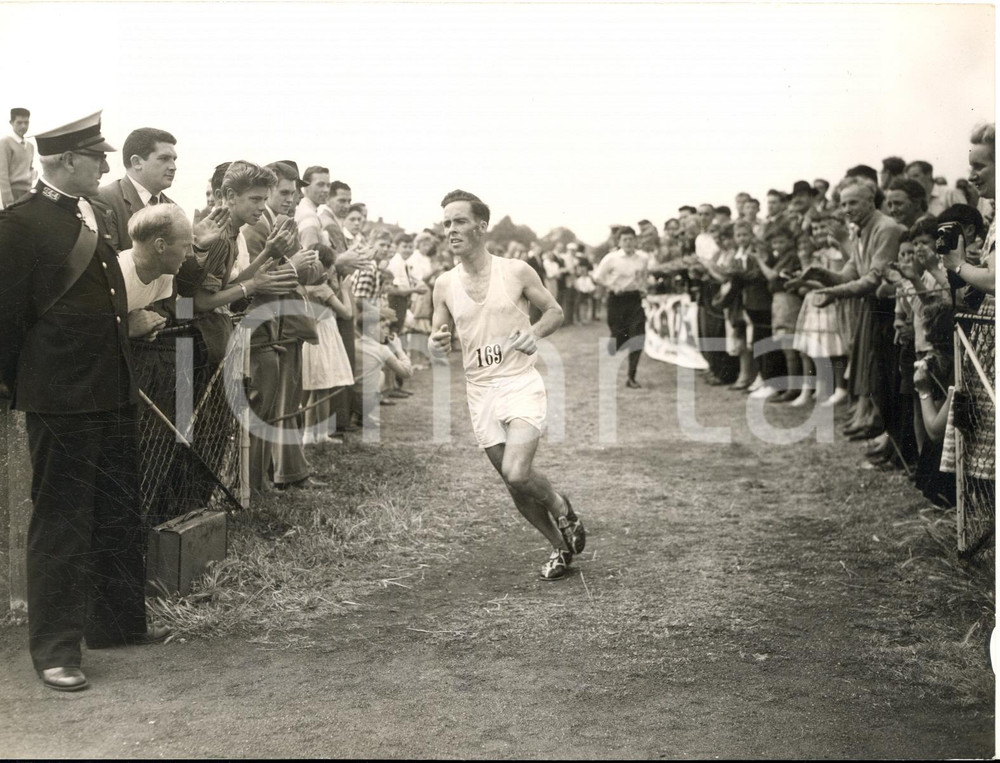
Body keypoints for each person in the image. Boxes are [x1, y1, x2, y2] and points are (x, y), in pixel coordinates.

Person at [0, 111, 171, 692]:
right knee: (63, 521)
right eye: (95, 157)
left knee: (117, 507)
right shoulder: (18, 225)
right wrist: (14, 386)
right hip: (61, 394)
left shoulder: (94, 213)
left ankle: (116, 624)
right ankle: (56, 650)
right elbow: (7, 320)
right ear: (65, 161)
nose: (104, 163)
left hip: (110, 385)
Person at [429, 189, 585, 581]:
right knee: (513, 484)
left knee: (518, 472)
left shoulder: (515, 271)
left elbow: (555, 310)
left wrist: (534, 332)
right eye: (446, 222)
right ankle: (560, 547)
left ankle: (562, 507)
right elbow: (438, 334)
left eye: (459, 221)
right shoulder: (444, 284)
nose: (451, 230)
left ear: (482, 226)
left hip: (518, 381)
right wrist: (436, 342)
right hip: (479, 390)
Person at [97, 127, 177, 252]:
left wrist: (199, 246)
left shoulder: (174, 209)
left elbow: (185, 269)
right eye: (164, 158)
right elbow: (112, 264)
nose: (173, 167)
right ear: (136, 162)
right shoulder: (104, 200)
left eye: (174, 159)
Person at [593, 225, 650, 388]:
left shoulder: (642, 258)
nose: (629, 242)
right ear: (619, 241)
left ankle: (631, 377)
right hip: (616, 300)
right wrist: (611, 286)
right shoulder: (611, 258)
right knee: (619, 335)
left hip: (635, 300)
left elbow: (643, 276)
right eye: (625, 239)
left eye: (632, 239)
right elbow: (597, 277)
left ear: (636, 240)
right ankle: (616, 341)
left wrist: (643, 288)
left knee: (638, 336)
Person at [0, 107, 34, 207]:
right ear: (11, 122)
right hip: (13, 193)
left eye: (26, 122)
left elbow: (30, 169)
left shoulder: (30, 146)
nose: (23, 126)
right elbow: (2, 174)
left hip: (28, 192)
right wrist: (9, 201)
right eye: (19, 122)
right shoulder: (5, 143)